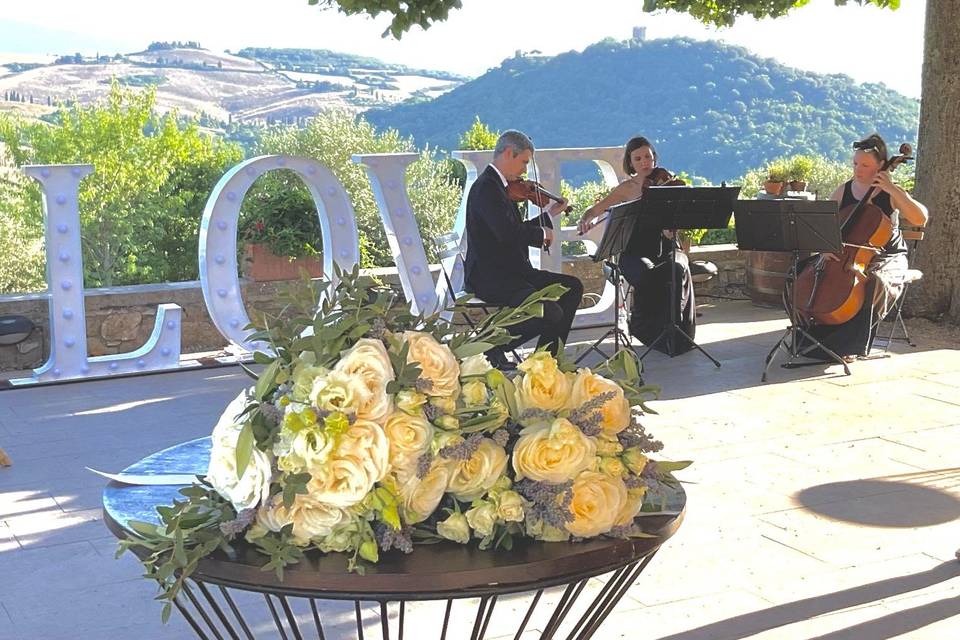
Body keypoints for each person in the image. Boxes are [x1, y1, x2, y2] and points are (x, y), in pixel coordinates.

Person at [798, 133, 928, 360]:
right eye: (855, 163)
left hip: (888, 254)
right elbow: (821, 227)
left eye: (865, 165)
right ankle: (807, 336)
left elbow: (920, 219)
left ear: (880, 166)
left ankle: (850, 344)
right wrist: (824, 247)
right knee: (800, 272)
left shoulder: (890, 193)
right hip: (847, 255)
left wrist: (893, 189)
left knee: (876, 280)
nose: (858, 169)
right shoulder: (843, 191)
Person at [463, 130, 584, 367]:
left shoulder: (499, 185)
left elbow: (511, 229)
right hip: (492, 277)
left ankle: (546, 361)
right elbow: (508, 234)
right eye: (524, 162)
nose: (524, 170)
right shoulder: (487, 188)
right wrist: (541, 233)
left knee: (572, 288)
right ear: (509, 153)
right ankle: (489, 347)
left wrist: (548, 216)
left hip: (512, 272)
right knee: (548, 311)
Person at [578, 136, 696, 355]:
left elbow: (673, 225)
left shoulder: (666, 184)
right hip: (635, 250)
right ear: (630, 163)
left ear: (655, 158)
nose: (645, 162)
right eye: (639, 158)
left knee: (678, 267)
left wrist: (671, 228)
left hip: (664, 246)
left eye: (648, 157)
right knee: (645, 273)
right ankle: (646, 328)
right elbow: (595, 210)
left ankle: (677, 333)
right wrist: (586, 219)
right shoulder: (626, 189)